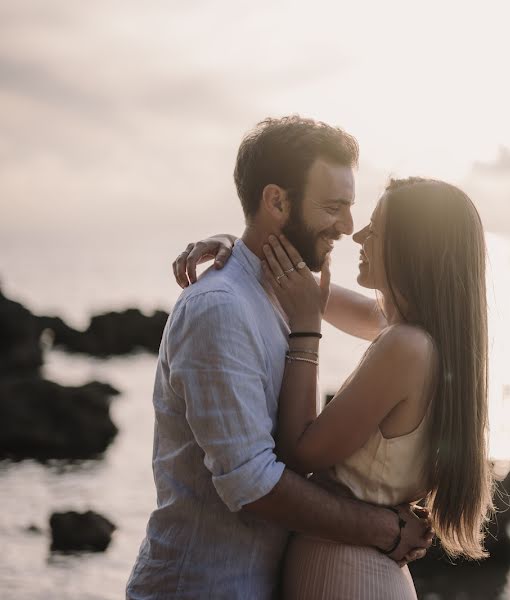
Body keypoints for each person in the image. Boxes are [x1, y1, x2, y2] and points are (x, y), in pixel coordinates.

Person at [127, 116, 433, 600]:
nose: (349, 227)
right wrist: (380, 528)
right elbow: (252, 483)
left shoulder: (291, 294)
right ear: (277, 201)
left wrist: (239, 243)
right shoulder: (220, 309)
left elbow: (402, 318)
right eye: (334, 207)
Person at [174, 176, 495, 598]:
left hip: (348, 576)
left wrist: (306, 332)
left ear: (412, 249)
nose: (358, 235)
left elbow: (300, 450)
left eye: (376, 229)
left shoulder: (407, 347)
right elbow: (308, 292)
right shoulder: (421, 337)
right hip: (353, 570)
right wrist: (241, 250)